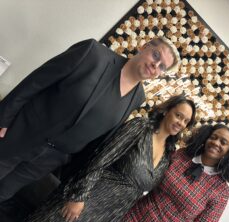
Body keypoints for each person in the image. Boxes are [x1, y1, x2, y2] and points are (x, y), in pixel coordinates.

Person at [0, 36, 181, 203]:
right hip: (22, 134)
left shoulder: (138, 97)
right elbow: (36, 81)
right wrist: (3, 119)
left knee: (3, 194)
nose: (155, 65)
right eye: (155, 55)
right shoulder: (93, 53)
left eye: (163, 66)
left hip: (47, 162)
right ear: (144, 47)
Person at [21, 95, 196, 222]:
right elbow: (102, 158)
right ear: (166, 110)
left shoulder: (169, 155)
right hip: (87, 199)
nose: (180, 122)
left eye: (186, 121)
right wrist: (78, 196)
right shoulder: (140, 128)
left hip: (110, 215)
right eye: (178, 115)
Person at [121, 123, 229, 222]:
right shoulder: (181, 155)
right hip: (131, 216)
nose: (216, 143)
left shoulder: (221, 192)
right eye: (213, 137)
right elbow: (149, 177)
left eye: (223, 142)